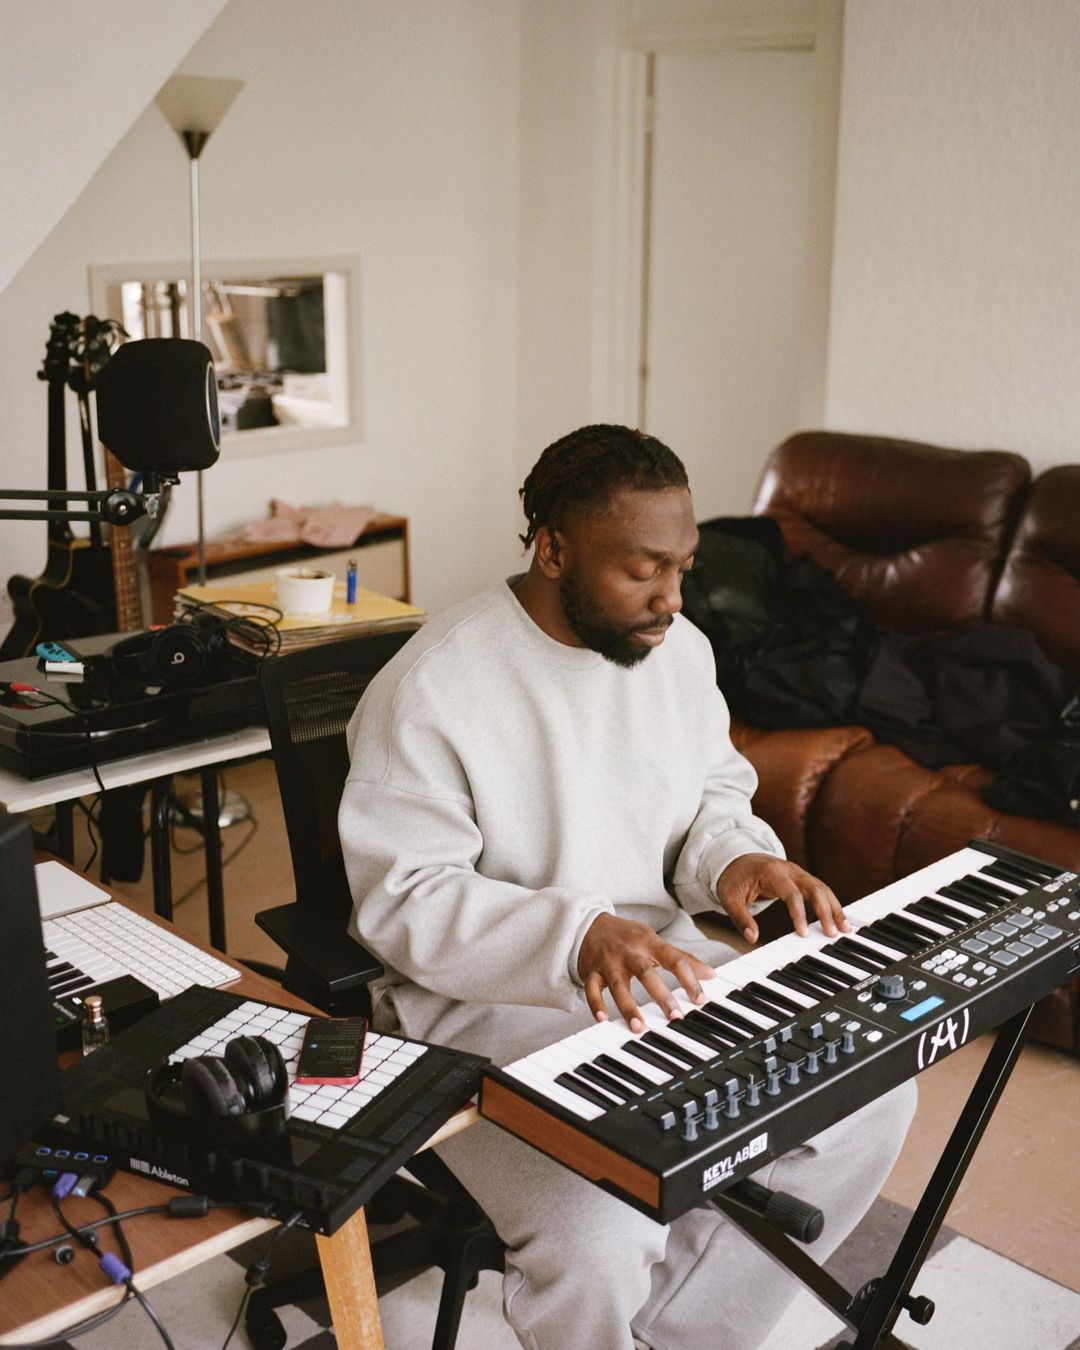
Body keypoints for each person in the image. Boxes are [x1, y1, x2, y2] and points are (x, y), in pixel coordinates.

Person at [340, 424, 916, 1350]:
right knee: (603, 1228)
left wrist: (734, 858)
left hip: (664, 971)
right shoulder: (435, 687)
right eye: (644, 570)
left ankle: (683, 1335)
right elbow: (404, 898)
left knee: (869, 1100)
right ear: (554, 549)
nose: (672, 598)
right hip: (478, 1010)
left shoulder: (679, 651)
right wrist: (577, 937)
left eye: (683, 567)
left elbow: (713, 795)